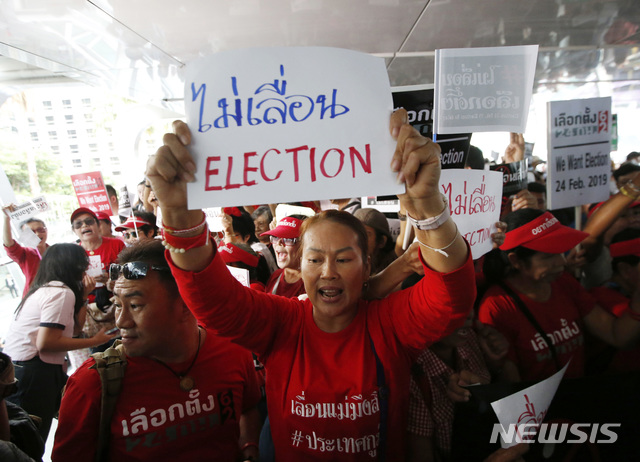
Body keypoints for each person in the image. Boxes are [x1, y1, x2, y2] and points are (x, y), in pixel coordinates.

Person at [145, 109, 475, 460]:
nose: (328, 272)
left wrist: (429, 208)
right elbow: (214, 302)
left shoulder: (390, 325)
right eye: (315, 259)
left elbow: (450, 298)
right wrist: (179, 217)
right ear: (300, 267)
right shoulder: (281, 323)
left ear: (367, 268)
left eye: (345, 259)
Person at [52, 240, 261, 461]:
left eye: (135, 306)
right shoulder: (90, 384)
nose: (122, 321)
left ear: (184, 303)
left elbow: (248, 409)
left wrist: (249, 447)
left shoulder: (233, 352)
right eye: (118, 305)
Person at [479, 208, 640, 382]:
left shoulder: (563, 282)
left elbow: (617, 335)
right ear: (515, 261)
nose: (562, 262)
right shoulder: (497, 307)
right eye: (549, 256)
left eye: (561, 252)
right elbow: (512, 388)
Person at [2, 243, 116, 441]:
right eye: (83, 265)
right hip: (32, 373)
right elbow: (46, 343)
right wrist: (93, 340)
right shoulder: (60, 292)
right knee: (29, 438)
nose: (86, 269)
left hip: (35, 370)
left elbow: (75, 330)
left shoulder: (54, 290)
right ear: (73, 266)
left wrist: (82, 296)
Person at [71, 207, 125, 310]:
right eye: (78, 224)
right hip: (87, 306)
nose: (84, 225)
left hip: (116, 301)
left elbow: (127, 273)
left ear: (98, 225)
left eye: (89, 221)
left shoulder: (116, 244)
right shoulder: (72, 253)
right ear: (74, 230)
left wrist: (110, 279)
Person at [2, 209, 49, 297]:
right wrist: (6, 219)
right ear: (24, 235)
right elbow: (9, 244)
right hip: (34, 298)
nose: (37, 234)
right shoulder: (24, 254)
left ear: (46, 230)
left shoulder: (56, 251)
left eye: (40, 229)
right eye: (31, 232)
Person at [261, 215, 307, 297]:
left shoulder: (312, 283)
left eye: (288, 239)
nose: (279, 243)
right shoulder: (276, 275)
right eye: (275, 237)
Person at [354, 208, 397, 276]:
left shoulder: (391, 265)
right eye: (355, 233)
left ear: (382, 241)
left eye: (366, 235)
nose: (358, 239)